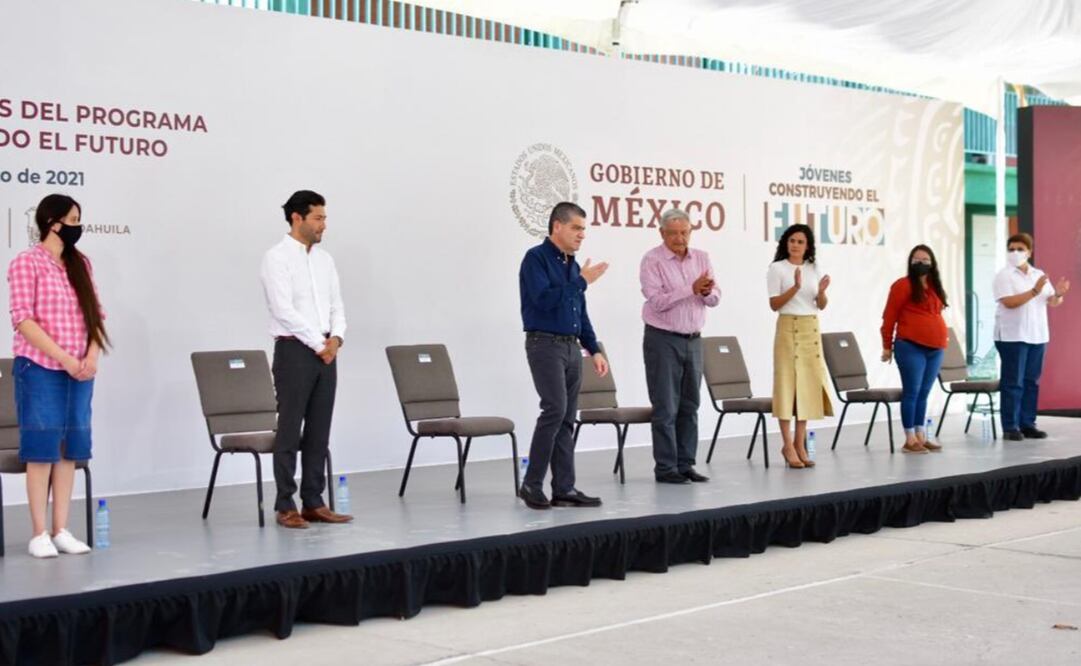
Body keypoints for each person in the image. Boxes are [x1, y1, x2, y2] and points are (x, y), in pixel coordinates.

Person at [8, 194, 105, 558]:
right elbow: (23, 319)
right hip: (40, 368)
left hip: (80, 371)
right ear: (53, 222)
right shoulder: (26, 263)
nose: (79, 226)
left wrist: (91, 355)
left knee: (69, 450)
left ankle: (60, 528)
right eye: (73, 219)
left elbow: (96, 316)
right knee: (42, 449)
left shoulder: (82, 265)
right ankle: (38, 533)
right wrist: (63, 357)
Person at [260, 190, 351, 528]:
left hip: (327, 352)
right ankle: (286, 504)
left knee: (319, 429)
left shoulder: (325, 260)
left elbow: (337, 305)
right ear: (297, 218)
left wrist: (336, 339)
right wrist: (319, 343)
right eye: (318, 218)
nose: (323, 225)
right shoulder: (276, 257)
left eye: (324, 218)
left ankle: (314, 500)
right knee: (289, 429)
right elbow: (283, 310)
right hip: (295, 350)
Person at [518, 202, 609, 510]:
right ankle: (531, 484)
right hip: (544, 345)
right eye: (576, 228)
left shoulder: (572, 264)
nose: (582, 235)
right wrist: (581, 282)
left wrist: (593, 348)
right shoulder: (536, 259)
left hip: (572, 347)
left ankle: (563, 488)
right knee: (554, 409)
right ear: (557, 226)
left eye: (584, 229)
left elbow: (579, 312)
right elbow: (543, 301)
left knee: (568, 417)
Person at [639, 208, 720, 484]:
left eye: (684, 232)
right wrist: (692, 289)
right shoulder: (652, 260)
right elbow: (657, 302)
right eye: (673, 233)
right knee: (666, 406)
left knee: (690, 405)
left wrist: (708, 292)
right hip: (663, 340)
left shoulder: (702, 258)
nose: (679, 238)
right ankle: (665, 468)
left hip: (694, 340)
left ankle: (686, 464)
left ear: (691, 231)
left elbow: (715, 297)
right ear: (661, 233)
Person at [766, 223, 833, 468]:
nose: (795, 245)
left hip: (810, 327)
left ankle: (799, 443)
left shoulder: (813, 267)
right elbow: (774, 304)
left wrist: (823, 292)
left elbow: (820, 304)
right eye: (792, 240)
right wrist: (794, 287)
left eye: (800, 242)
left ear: (807, 246)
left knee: (807, 386)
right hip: (788, 327)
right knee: (786, 386)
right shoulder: (777, 268)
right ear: (786, 243)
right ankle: (787, 444)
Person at [992, 233, 1070, 441]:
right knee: (1013, 382)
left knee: (1031, 382)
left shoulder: (1038, 274)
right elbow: (1009, 302)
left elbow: (1051, 301)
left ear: (1029, 252)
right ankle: (1010, 426)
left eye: (1020, 249)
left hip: (1037, 335)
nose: (1015, 253)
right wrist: (1034, 291)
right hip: (1011, 336)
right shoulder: (1004, 275)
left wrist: (1059, 294)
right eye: (1011, 249)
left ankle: (1028, 423)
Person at [880, 245, 949, 453]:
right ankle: (909, 438)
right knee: (912, 392)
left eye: (925, 260)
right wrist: (886, 346)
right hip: (910, 346)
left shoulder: (935, 286)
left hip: (936, 348)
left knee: (924, 393)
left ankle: (921, 435)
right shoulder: (902, 285)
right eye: (916, 260)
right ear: (910, 263)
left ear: (932, 263)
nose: (921, 263)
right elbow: (889, 317)